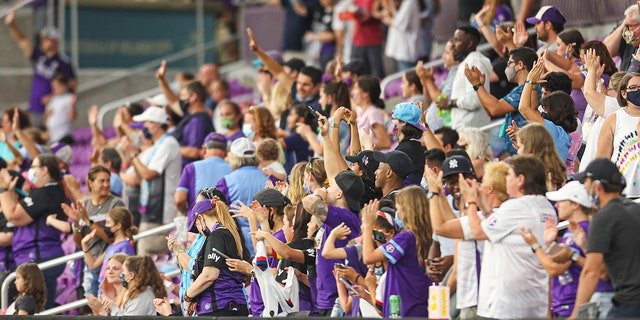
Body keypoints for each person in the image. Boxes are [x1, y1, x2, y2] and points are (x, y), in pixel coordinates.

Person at [519, 181, 613, 318]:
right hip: (566, 305)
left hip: (574, 306)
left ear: (575, 204)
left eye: (561, 201)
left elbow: (555, 269)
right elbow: (558, 261)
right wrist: (549, 244)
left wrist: (535, 246)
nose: (556, 205)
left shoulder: (583, 229)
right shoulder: (574, 230)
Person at [571, 158, 640, 318]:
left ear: (597, 186)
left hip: (629, 304)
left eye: (586, 184)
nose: (585, 189)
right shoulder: (635, 209)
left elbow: (591, 272)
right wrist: (585, 245)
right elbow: (605, 271)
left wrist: (575, 316)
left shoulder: (604, 217)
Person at [0, 154, 65, 310]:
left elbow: (14, 215)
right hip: (37, 258)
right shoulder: (48, 192)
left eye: (33, 168)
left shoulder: (45, 193)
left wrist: (3, 188)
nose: (30, 172)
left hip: (40, 258)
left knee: (37, 310)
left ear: (44, 170)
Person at [360, 187, 432, 317]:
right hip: (418, 306)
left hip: (406, 308)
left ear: (408, 211)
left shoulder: (406, 237)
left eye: (398, 210)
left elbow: (368, 257)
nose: (397, 214)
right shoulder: (425, 235)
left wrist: (367, 226)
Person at [301, 169, 365, 315]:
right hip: (326, 297)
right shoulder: (337, 216)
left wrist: (317, 194)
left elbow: (308, 202)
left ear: (339, 194)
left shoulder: (344, 216)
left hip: (336, 298)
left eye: (330, 187)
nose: (326, 189)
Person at [122, 106, 181, 256]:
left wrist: (134, 156)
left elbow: (148, 174)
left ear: (155, 126)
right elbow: (140, 174)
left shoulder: (168, 143)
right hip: (150, 208)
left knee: (144, 254)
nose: (144, 128)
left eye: (146, 124)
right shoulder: (158, 146)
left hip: (159, 211)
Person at [4, 11, 76, 128]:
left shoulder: (64, 63)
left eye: (47, 39)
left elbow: (72, 88)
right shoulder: (39, 56)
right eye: (43, 39)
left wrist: (53, 97)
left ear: (56, 41)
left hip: (53, 111)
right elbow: (23, 41)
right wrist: (12, 25)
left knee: (50, 143)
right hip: (35, 109)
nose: (43, 41)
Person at [464, 46, 539, 155]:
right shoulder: (518, 89)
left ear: (520, 65)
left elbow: (495, 109)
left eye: (509, 63)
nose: (507, 67)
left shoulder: (529, 89)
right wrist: (479, 86)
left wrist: (476, 85)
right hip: (518, 151)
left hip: (528, 150)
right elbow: (489, 111)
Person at [183, 198, 248, 316]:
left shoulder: (217, 235)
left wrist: (187, 296)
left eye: (196, 225)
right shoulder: (227, 233)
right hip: (230, 304)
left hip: (220, 306)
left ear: (200, 218)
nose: (199, 232)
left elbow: (209, 275)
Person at [67, 165, 125, 298]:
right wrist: (76, 223)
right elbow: (78, 243)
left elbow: (110, 238)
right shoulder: (83, 204)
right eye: (102, 181)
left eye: (108, 180)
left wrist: (88, 220)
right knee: (92, 306)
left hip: (111, 264)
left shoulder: (116, 204)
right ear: (90, 183)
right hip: (89, 263)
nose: (106, 184)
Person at [216, 137, 269, 256]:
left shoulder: (226, 182)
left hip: (240, 242)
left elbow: (220, 213)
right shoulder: (269, 176)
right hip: (269, 237)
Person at [596, 72, 640, 199]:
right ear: (623, 93)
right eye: (633, 87)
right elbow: (602, 158)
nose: (638, 90)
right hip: (620, 191)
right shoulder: (614, 118)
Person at [442, 26, 491, 130]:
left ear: (469, 43)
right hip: (467, 129)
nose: (452, 46)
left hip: (472, 130)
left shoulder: (473, 62)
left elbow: (475, 99)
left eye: (457, 40)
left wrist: (450, 103)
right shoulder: (468, 61)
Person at [175, 132, 232, 213]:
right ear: (226, 152)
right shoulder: (233, 169)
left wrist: (188, 214)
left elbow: (179, 200)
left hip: (197, 221)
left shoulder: (191, 168)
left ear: (204, 149)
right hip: (225, 221)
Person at [173, 81, 215, 168]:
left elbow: (194, 152)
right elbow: (172, 102)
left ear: (193, 97)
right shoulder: (190, 117)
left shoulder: (197, 121)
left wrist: (168, 148)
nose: (180, 99)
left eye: (183, 95)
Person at [515, 123, 567, 190]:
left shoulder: (531, 177)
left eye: (519, 147)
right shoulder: (557, 173)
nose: (518, 152)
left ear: (530, 148)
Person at [390, 102, 426, 186]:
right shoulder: (412, 145)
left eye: (393, 118)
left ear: (403, 122)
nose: (391, 122)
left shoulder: (407, 149)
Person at [353, 75, 391, 150]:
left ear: (366, 93)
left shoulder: (372, 113)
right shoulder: (360, 110)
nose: (353, 92)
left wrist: (360, 148)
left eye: (356, 88)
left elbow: (385, 143)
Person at [44, 73, 75, 145]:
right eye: (54, 88)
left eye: (57, 87)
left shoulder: (69, 98)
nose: (55, 90)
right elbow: (46, 121)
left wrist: (72, 105)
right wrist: (47, 115)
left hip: (64, 135)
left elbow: (72, 116)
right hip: (52, 136)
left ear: (64, 86)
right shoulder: (53, 99)